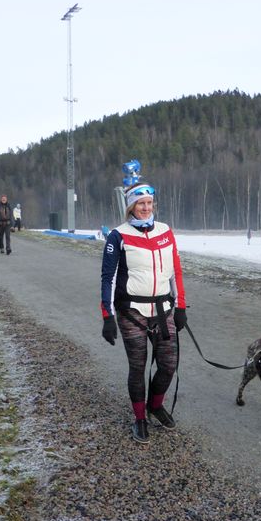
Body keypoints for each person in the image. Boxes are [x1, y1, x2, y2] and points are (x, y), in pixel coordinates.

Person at [100, 179, 187, 444]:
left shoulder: (165, 231)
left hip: (163, 309)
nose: (146, 208)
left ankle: (155, 406)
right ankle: (139, 418)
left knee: (169, 365)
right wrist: (108, 316)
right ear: (131, 207)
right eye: (141, 204)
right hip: (131, 312)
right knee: (138, 368)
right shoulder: (118, 235)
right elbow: (108, 278)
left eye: (149, 203)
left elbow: (176, 271)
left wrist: (181, 305)